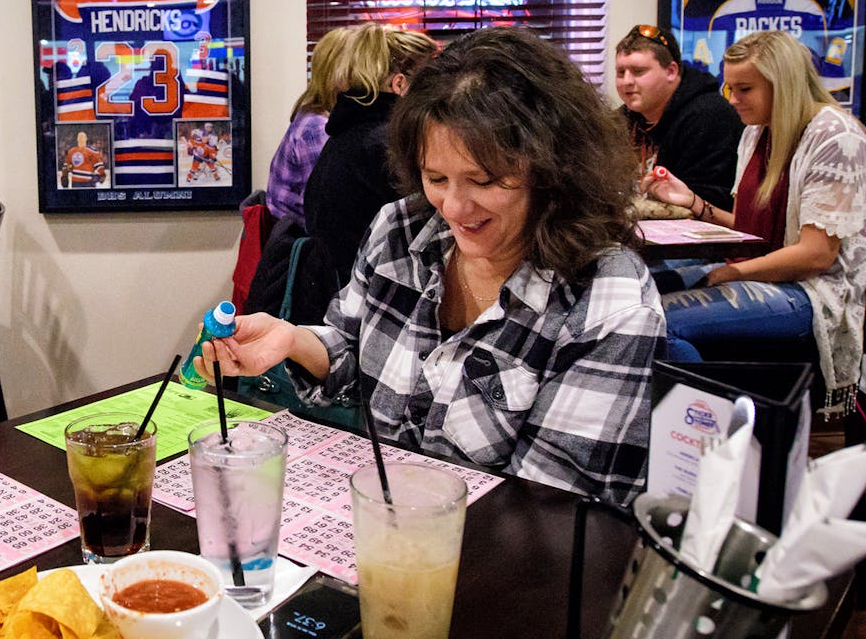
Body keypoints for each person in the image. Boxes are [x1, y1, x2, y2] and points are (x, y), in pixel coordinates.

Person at [199, 27, 664, 503]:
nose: (455, 208)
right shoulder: (402, 229)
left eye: (484, 181)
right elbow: (353, 348)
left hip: (497, 559)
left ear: (554, 171)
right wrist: (292, 339)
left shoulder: (607, 301)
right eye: (435, 177)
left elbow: (548, 515)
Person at [642, 30, 866, 415]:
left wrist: (731, 274)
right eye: (730, 87)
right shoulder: (756, 133)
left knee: (660, 323)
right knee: (640, 291)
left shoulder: (835, 136)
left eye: (744, 89)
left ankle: (708, 439)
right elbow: (753, 233)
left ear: (786, 85)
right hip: (769, 272)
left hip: (814, 292)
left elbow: (815, 255)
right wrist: (692, 202)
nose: (732, 100)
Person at [303, 24, 439, 286]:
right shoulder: (387, 146)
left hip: (339, 290)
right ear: (400, 84)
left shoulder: (346, 135)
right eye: (427, 85)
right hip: (369, 299)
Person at [615, 24, 741, 211]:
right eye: (620, 72)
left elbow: (709, 202)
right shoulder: (620, 121)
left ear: (671, 71)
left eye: (638, 71)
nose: (627, 81)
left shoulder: (709, 116)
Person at [264, 26, 353, 227]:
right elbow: (326, 205)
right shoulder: (316, 128)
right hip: (301, 242)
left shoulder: (311, 113)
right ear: (339, 72)